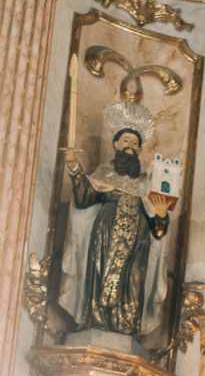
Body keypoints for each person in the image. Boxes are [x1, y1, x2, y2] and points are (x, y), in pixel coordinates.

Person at [62, 108, 172, 343]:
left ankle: (127, 327)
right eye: (126, 141)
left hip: (138, 243)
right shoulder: (104, 173)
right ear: (116, 144)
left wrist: (161, 216)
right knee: (100, 273)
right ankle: (96, 321)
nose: (130, 146)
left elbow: (158, 231)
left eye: (135, 143)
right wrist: (74, 168)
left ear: (139, 150)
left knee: (133, 280)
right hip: (106, 233)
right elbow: (84, 198)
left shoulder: (147, 183)